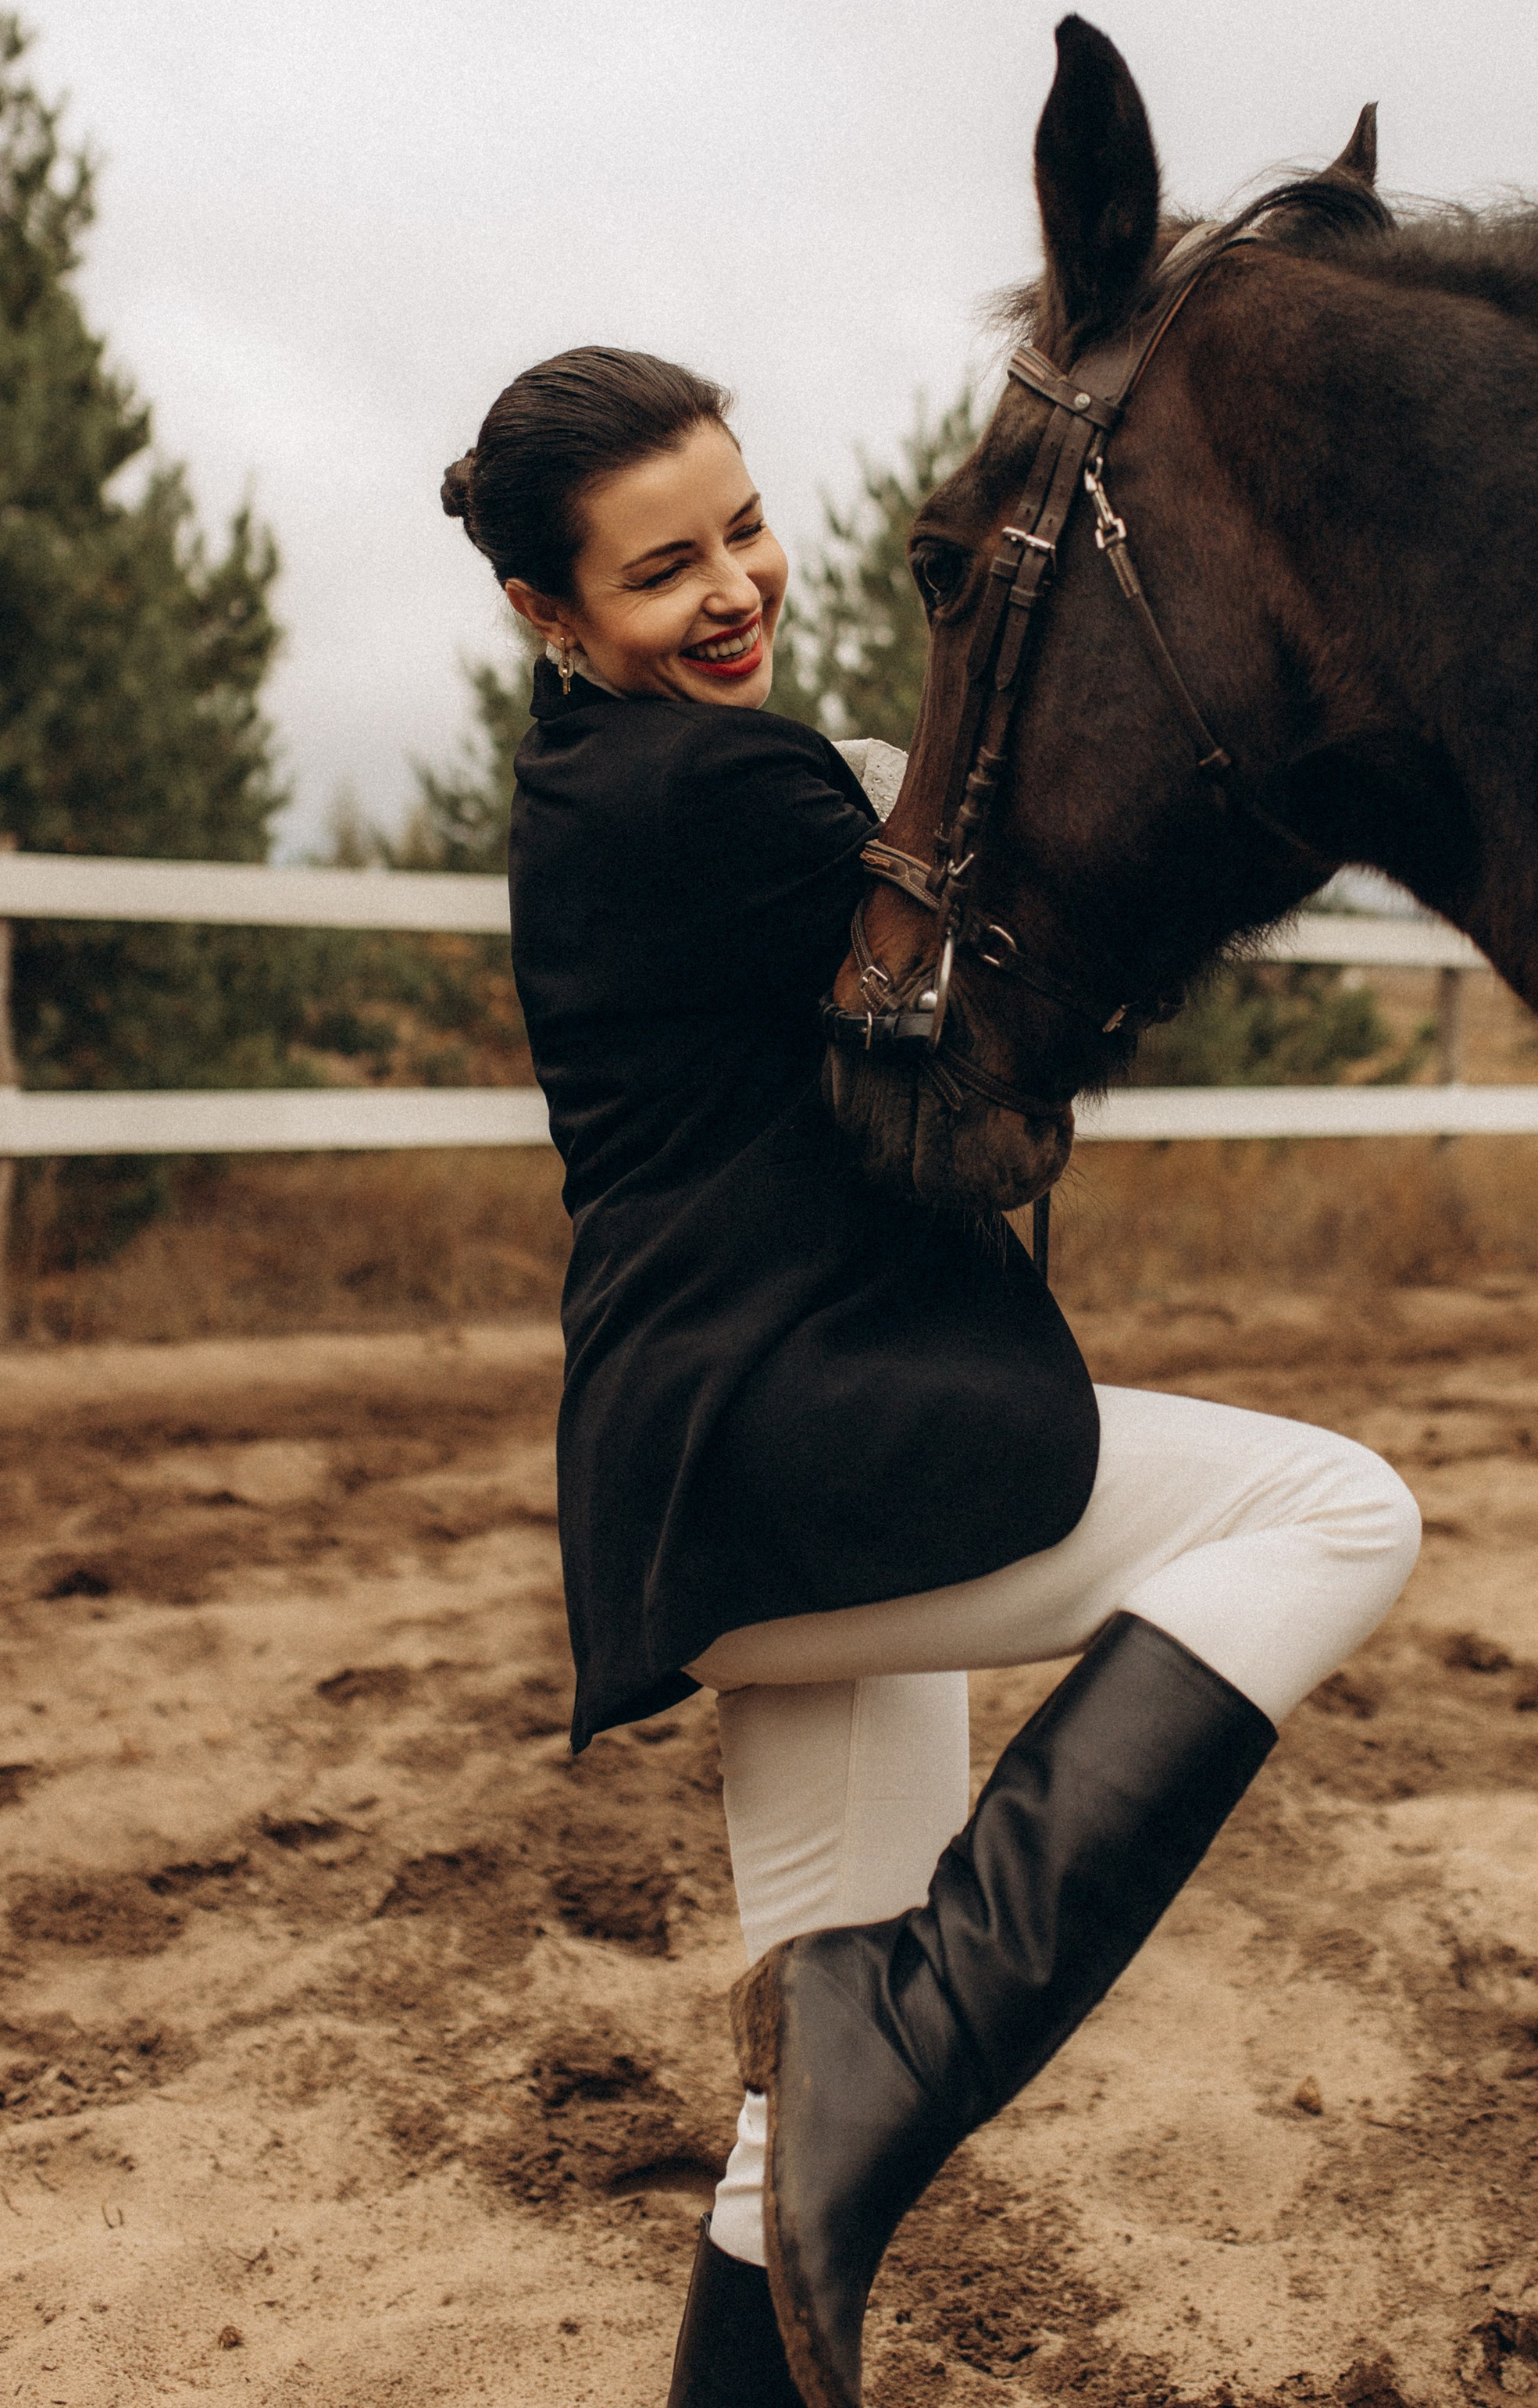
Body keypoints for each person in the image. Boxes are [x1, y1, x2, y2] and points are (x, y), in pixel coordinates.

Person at [441, 345, 1422, 2408]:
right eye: (657, 574)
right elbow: (1026, 929)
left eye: (740, 529)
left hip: (726, 1458)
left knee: (806, 2128)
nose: (731, 588)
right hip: (801, 1449)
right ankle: (922, 2010)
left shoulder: (609, 786)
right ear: (547, 613)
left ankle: (862, 2049)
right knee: (1337, 1510)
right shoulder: (717, 791)